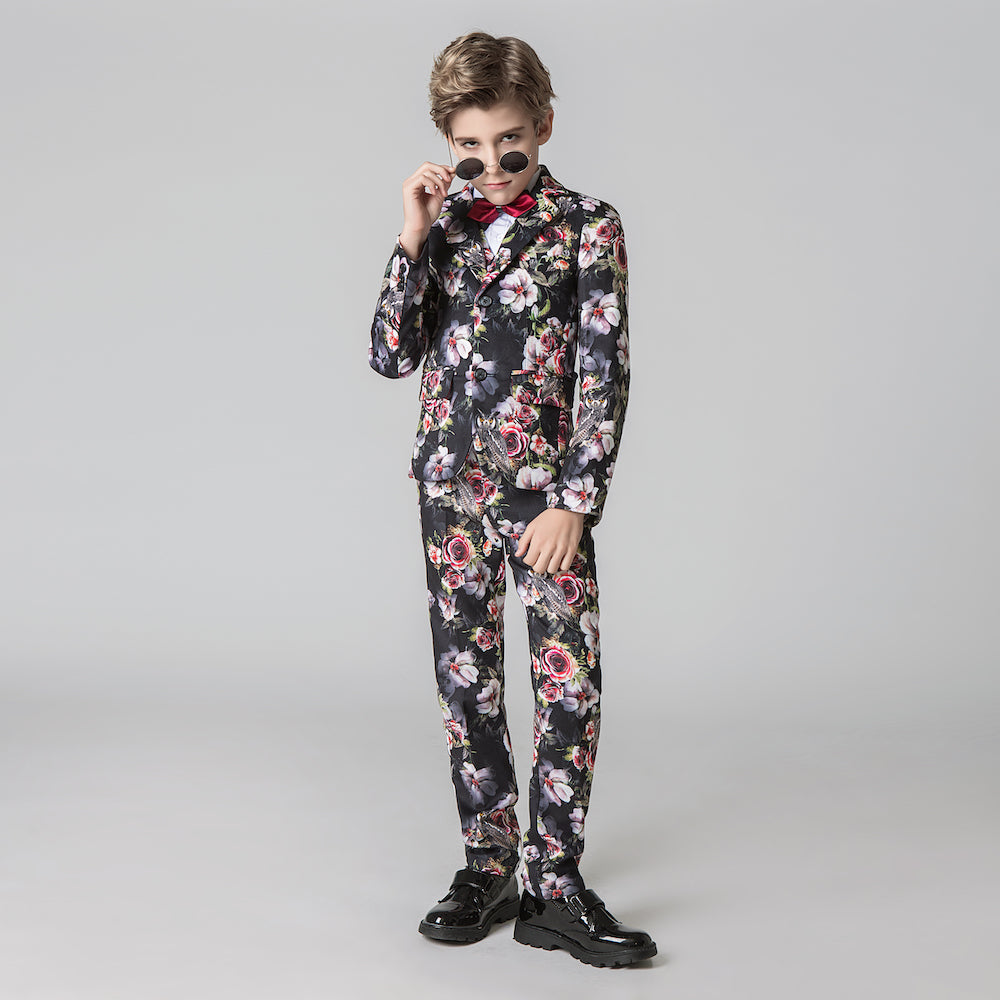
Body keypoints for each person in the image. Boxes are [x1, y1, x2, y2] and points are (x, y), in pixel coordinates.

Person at [368, 30, 655, 968]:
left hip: (543, 500)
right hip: (449, 488)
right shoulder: (444, 224)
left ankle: (555, 885)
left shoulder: (588, 225)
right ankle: (487, 866)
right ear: (446, 144)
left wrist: (577, 500)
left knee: (568, 682)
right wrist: (413, 235)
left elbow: (605, 371)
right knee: (468, 682)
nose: (491, 166)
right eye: (470, 148)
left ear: (544, 127)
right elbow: (390, 355)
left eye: (510, 145)